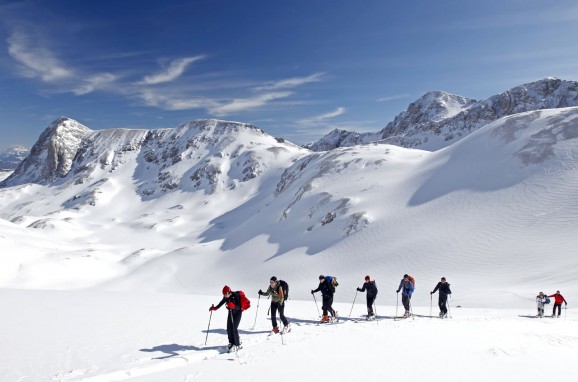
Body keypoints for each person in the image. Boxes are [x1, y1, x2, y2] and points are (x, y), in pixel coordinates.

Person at [209, 285, 243, 352]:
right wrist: (215, 308)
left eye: (225, 294)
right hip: (231, 313)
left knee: (234, 328)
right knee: (228, 328)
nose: (224, 296)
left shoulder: (236, 295)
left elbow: (239, 307)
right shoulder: (226, 297)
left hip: (237, 313)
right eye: (223, 294)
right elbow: (221, 303)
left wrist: (233, 306)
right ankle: (231, 342)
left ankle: (237, 344)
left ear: (229, 292)